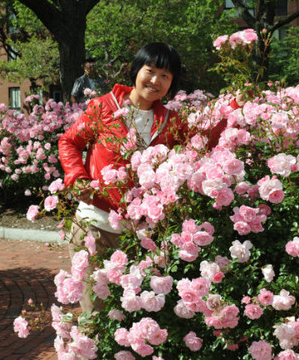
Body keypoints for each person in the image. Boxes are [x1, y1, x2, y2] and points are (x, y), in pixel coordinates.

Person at [58, 42, 241, 314]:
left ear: (172, 84)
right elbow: (69, 141)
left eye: (165, 76)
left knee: (132, 317)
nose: (155, 80)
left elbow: (201, 144)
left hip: (139, 235)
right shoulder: (103, 107)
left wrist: (235, 109)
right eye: (150, 70)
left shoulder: (171, 122)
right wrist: (78, 177)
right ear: (136, 71)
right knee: (95, 315)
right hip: (94, 225)